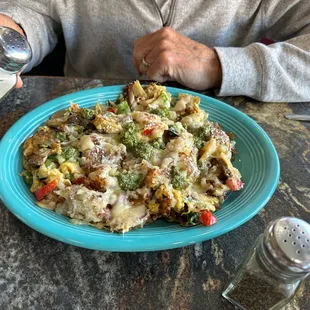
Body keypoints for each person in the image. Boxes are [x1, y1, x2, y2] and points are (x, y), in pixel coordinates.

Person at [0, 0, 309, 102]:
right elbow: (31, 9)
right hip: (80, 121)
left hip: (225, 135)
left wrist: (216, 65)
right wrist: (9, 33)